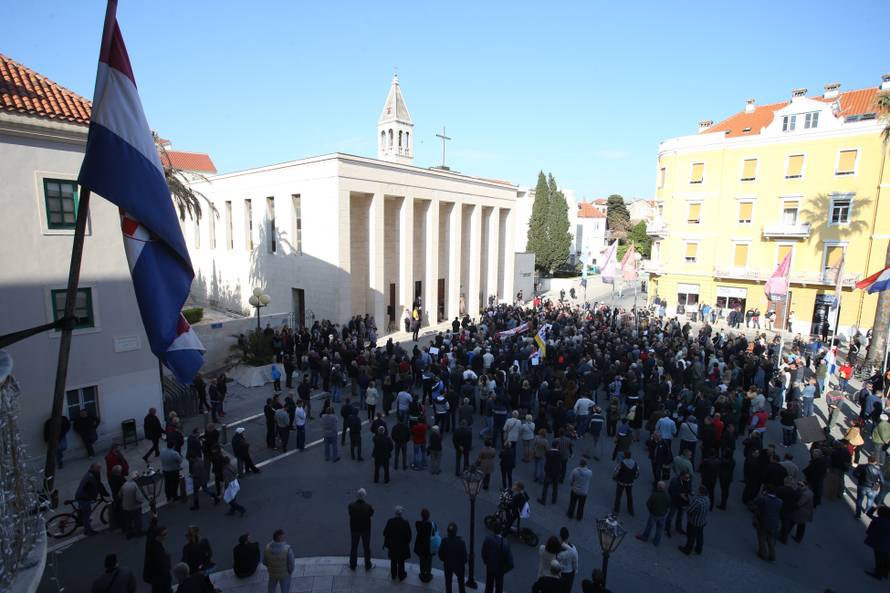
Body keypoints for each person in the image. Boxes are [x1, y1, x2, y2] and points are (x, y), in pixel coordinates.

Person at [75, 463, 109, 536]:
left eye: (99, 468)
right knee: (86, 515)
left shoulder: (92, 474)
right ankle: (88, 531)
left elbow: (99, 484)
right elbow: (97, 486)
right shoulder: (91, 477)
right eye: (98, 468)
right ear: (93, 468)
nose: (99, 470)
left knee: (84, 510)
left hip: (81, 495)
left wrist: (103, 492)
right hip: (84, 498)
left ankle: (81, 517)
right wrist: (104, 493)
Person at [752, 485, 783, 562]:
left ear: (766, 491)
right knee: (771, 539)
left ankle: (763, 553)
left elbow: (755, 501)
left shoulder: (763, 499)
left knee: (762, 537)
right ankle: (772, 555)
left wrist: (762, 494)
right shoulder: (780, 501)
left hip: (764, 521)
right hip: (775, 523)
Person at [636, 480, 670, 547]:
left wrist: (651, 510)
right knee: (659, 529)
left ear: (658, 487)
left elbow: (648, 503)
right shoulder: (667, 496)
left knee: (649, 526)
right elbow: (668, 505)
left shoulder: (655, 495)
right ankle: (656, 542)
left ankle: (645, 537)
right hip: (662, 515)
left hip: (654, 514)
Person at [347, 488, 374, 571]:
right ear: (364, 496)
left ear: (357, 496)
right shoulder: (368, 507)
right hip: (365, 529)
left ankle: (353, 564)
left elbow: (350, 513)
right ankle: (367, 564)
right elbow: (371, 513)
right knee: (366, 547)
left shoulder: (351, 506)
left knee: (354, 547)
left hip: (355, 529)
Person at [678, 485, 709, 555]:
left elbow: (690, 510)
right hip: (702, 521)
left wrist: (684, 508)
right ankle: (699, 549)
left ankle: (687, 550)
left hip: (694, 522)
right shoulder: (707, 498)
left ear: (701, 492)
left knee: (691, 536)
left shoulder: (698, 501)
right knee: (700, 536)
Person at [383, 506, 412, 581]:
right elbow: (409, 536)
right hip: (402, 546)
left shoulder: (390, 521)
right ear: (401, 514)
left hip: (392, 546)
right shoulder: (405, 523)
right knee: (401, 562)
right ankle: (401, 575)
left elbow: (385, 533)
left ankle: (393, 575)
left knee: (393, 561)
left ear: (395, 513)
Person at [438, 522, 468, 593]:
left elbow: (440, 555)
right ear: (456, 531)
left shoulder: (444, 541)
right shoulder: (461, 543)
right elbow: (465, 558)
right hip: (459, 567)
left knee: (448, 583)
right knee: (461, 583)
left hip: (447, 565)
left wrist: (446, 560)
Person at [263, 529, 295, 593]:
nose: (284, 538)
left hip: (272, 573)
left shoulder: (267, 548)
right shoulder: (287, 550)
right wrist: (289, 572)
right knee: (285, 589)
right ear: (280, 538)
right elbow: (291, 564)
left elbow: (264, 562)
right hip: (284, 574)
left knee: (271, 587)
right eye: (283, 537)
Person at [143, 526, 173, 593]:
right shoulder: (157, 550)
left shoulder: (152, 544)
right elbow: (160, 565)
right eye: (164, 534)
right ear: (158, 536)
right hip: (161, 578)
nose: (166, 536)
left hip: (156, 578)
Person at [865, 505, 890, 579]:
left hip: (879, 543)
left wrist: (874, 507)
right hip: (887, 543)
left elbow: (868, 514)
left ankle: (878, 574)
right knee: (886, 558)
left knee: (879, 559)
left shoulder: (879, 520)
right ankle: (885, 573)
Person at [612, 450, 639, 516]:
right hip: (630, 483)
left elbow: (616, 471)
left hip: (621, 482)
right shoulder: (635, 463)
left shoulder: (622, 463)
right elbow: (637, 473)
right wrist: (633, 478)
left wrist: (614, 477)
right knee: (629, 496)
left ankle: (616, 510)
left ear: (624, 455)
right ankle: (631, 510)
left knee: (618, 496)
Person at [120, 471, 145, 538]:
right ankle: (139, 532)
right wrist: (141, 501)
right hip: (135, 507)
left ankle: (129, 532)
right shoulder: (135, 486)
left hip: (126, 506)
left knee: (128, 520)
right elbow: (139, 498)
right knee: (137, 520)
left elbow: (120, 495)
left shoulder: (125, 484)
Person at [538, 440, 561, 505]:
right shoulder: (559, 453)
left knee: (545, 487)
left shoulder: (548, 453)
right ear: (557, 446)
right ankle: (554, 500)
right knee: (555, 487)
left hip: (549, 472)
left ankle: (543, 500)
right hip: (556, 472)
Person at [557, 527, 578, 592]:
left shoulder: (557, 547)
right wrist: (575, 570)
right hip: (569, 572)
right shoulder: (573, 549)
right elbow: (575, 563)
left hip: (558, 571)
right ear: (568, 537)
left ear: (560, 537)